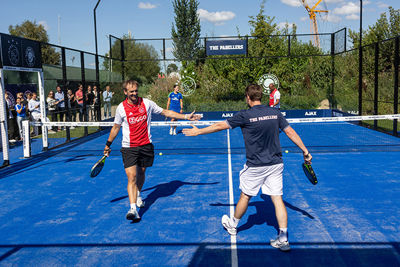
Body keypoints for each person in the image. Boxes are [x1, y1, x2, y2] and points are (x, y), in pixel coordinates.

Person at [182, 84, 312, 252]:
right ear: (260, 97)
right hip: (276, 164)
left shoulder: (244, 115)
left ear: (248, 98)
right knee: (278, 199)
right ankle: (284, 238)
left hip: (256, 166)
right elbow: (291, 132)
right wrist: (305, 151)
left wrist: (198, 132)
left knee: (245, 196)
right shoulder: (275, 113)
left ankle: (233, 225)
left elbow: (219, 126)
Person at [103, 80, 201, 221]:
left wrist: (186, 116)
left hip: (146, 145)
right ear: (125, 92)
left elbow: (165, 111)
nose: (134, 93)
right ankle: (133, 209)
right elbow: (116, 127)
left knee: (141, 173)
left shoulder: (147, 103)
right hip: (129, 147)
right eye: (131, 91)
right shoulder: (121, 108)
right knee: (132, 177)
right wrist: (108, 144)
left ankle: (138, 194)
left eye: (136, 90)